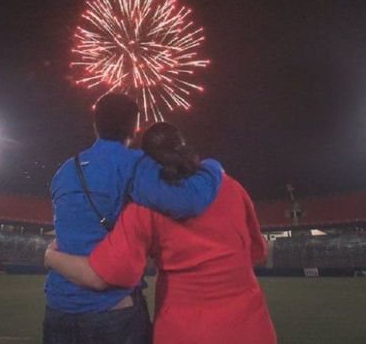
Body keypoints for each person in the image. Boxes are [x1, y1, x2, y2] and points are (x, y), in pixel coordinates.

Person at [45, 122, 277, 344]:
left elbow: (107, 274)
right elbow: (257, 253)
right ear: (184, 147)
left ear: (148, 161)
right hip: (251, 327)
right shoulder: (230, 187)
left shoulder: (143, 207)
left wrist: (51, 256)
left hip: (183, 330)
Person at [44, 95, 223, 344]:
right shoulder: (135, 164)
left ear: (95, 124)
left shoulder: (65, 170)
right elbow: (188, 201)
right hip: (113, 309)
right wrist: (213, 167)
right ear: (134, 127)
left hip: (58, 309)